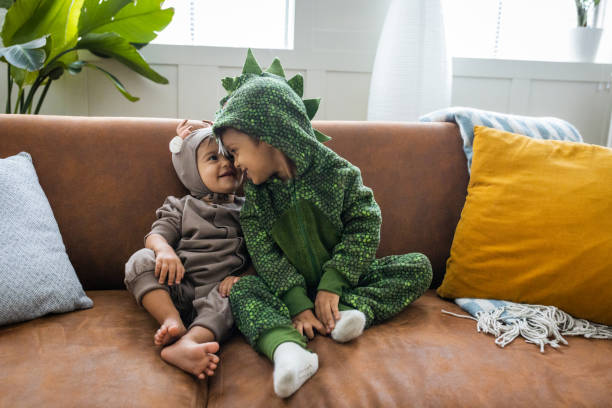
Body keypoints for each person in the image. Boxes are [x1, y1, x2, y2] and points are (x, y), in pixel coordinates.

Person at [212, 49, 433, 398]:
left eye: (236, 150)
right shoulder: (257, 197)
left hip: (347, 284)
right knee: (242, 290)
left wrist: (336, 283)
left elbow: (365, 222)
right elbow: (264, 253)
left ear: (267, 135)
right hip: (287, 294)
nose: (235, 164)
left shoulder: (337, 174)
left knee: (419, 266)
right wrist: (298, 303)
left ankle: (347, 314)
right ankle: (288, 351)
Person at [124, 120, 250, 380]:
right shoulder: (181, 207)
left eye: (230, 155)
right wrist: (164, 252)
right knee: (140, 259)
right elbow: (156, 235)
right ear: (191, 170)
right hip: (177, 285)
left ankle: (189, 343)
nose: (225, 163)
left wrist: (245, 275)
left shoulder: (250, 209)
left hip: (219, 292)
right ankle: (171, 321)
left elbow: (264, 253)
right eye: (213, 157)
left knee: (240, 295)